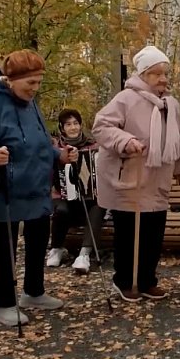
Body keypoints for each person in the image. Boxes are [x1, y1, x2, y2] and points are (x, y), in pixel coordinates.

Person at [0, 50, 73, 327]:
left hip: (37, 182)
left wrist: (58, 154)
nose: (35, 89)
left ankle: (33, 292)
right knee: (5, 246)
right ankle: (3, 304)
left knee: (37, 239)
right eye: (30, 83)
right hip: (5, 187)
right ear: (10, 80)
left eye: (38, 83)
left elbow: (38, 140)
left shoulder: (30, 102)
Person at [92, 45, 180, 302]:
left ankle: (147, 280)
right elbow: (101, 126)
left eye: (165, 73)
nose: (163, 79)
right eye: (156, 73)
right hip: (130, 179)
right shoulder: (125, 99)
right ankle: (123, 280)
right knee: (128, 233)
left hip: (158, 180)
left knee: (152, 232)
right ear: (143, 75)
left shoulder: (171, 105)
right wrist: (125, 141)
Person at [47, 108, 105, 274]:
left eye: (76, 123)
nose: (73, 127)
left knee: (99, 206)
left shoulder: (93, 146)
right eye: (68, 124)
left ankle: (84, 254)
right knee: (62, 209)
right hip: (62, 196)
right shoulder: (56, 148)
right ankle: (56, 248)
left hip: (87, 198)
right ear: (62, 127)